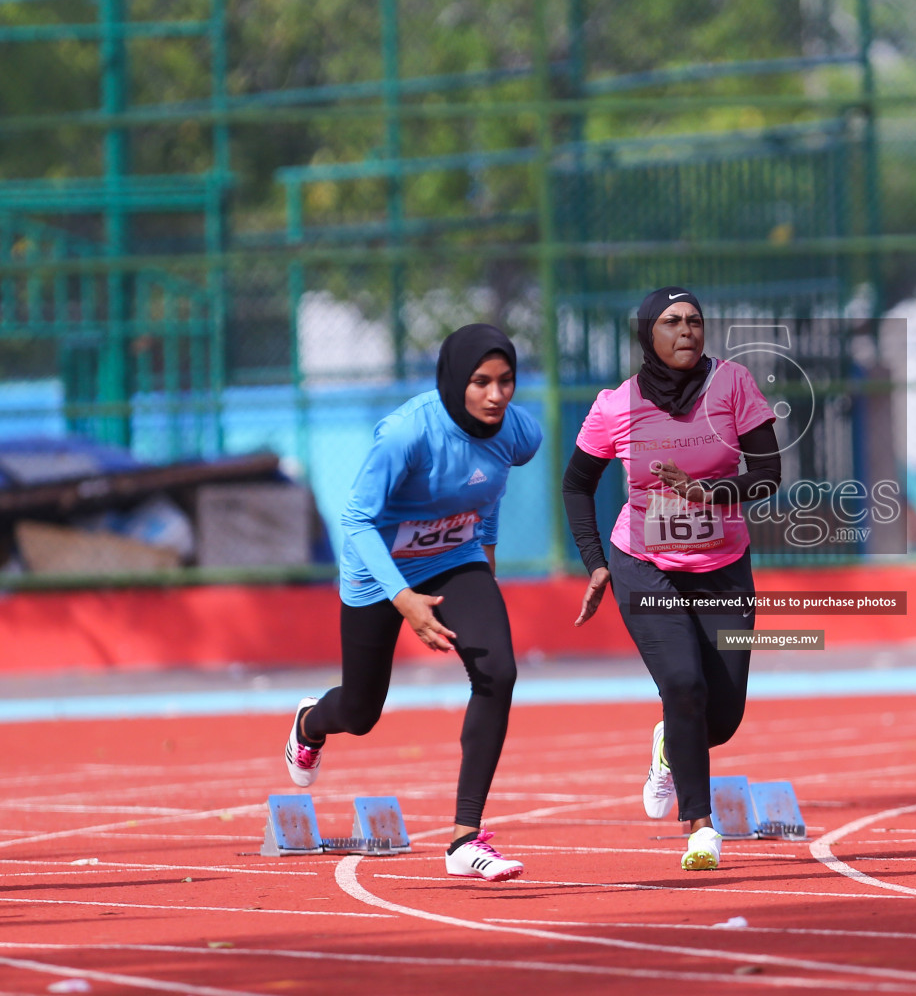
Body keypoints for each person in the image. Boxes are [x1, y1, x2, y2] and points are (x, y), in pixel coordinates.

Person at [282, 323, 542, 881]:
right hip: (380, 571)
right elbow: (356, 519)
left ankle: (464, 838)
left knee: (498, 671)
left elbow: (489, 485)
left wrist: (485, 560)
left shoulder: (520, 432)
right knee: (361, 710)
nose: (496, 395)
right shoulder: (406, 435)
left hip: (455, 556)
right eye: (480, 382)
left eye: (506, 381)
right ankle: (310, 723)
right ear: (453, 382)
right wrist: (403, 600)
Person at [562, 287, 781, 871]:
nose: (687, 331)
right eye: (672, 322)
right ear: (647, 336)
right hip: (644, 565)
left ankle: (668, 744)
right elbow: (577, 484)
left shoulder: (733, 385)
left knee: (724, 716)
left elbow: (767, 474)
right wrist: (595, 561)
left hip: (723, 567)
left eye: (695, 321)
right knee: (683, 686)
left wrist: (709, 493)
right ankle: (700, 826)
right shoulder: (616, 405)